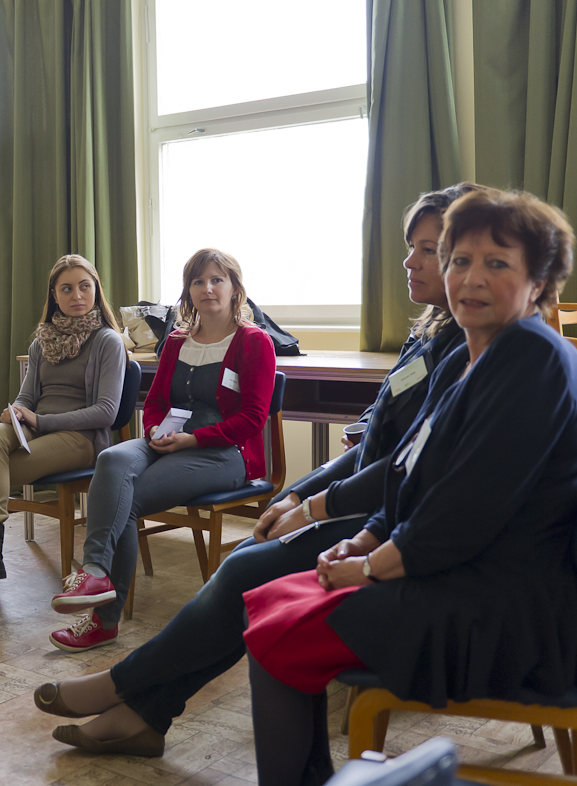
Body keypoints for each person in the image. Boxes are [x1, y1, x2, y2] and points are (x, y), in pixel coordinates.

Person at [29, 184, 479, 759]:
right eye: (411, 247)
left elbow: (398, 463)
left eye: (427, 250)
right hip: (352, 494)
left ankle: (126, 688)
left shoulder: (467, 351)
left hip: (370, 511)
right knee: (127, 472)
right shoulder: (431, 335)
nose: (409, 261)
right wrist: (297, 496)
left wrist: (310, 505)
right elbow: (376, 438)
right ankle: (138, 701)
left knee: (240, 568)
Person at [241, 188, 577, 786]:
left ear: (540, 282)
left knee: (281, 635)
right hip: (455, 570)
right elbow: (409, 469)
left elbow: (464, 512)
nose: (471, 278)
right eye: (459, 260)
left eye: (497, 263)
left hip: (503, 603)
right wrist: (363, 539)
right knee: (269, 602)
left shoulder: (533, 356)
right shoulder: (465, 358)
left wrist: (372, 568)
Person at [48, 249, 276, 652]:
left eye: (217, 280)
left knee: (126, 498)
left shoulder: (254, 342)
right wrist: (154, 429)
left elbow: (253, 419)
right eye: (198, 281)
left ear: (235, 288)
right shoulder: (175, 341)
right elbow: (153, 402)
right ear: (188, 290)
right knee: (111, 459)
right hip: (170, 439)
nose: (207, 288)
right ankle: (95, 572)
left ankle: (104, 621)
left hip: (226, 452)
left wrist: (193, 439)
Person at [0, 254, 126, 618]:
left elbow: (106, 412)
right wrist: (16, 411)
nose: (77, 295)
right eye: (67, 289)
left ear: (96, 290)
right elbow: (27, 396)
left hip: (80, 438)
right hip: (36, 428)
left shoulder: (108, 341)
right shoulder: (42, 342)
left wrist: (40, 421)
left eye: (84, 286)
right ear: (54, 295)